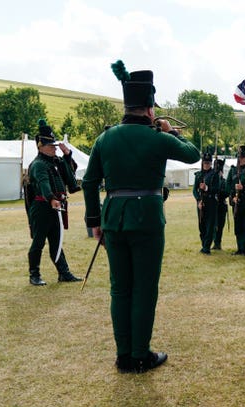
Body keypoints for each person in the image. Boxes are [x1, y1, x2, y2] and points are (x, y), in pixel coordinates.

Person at [82, 60, 200, 373]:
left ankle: (123, 356)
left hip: (113, 221)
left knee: (120, 289)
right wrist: (170, 131)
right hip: (146, 220)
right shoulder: (157, 137)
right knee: (144, 289)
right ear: (149, 109)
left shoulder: (105, 139)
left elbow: (89, 181)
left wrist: (94, 221)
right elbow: (193, 154)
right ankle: (140, 355)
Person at [25, 119, 83, 286]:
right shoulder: (38, 165)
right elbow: (43, 183)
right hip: (42, 206)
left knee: (56, 241)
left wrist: (67, 155)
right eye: (51, 146)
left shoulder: (56, 161)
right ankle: (34, 274)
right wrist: (51, 198)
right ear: (40, 146)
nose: (54, 148)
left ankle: (63, 273)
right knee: (38, 242)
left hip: (56, 206)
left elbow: (70, 173)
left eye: (54, 145)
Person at [193, 151, 220, 254]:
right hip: (200, 203)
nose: (206, 164)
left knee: (210, 226)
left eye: (208, 163)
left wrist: (207, 188)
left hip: (211, 202)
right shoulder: (199, 175)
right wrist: (198, 201)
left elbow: (216, 189)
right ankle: (203, 244)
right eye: (205, 162)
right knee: (202, 225)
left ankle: (207, 247)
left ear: (211, 163)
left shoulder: (214, 175)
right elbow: (195, 190)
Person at [213, 158, 228, 250]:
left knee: (220, 225)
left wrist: (220, 193)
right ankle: (214, 241)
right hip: (213, 206)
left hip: (221, 205)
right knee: (213, 225)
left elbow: (226, 192)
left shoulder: (224, 181)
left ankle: (218, 242)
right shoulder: (212, 180)